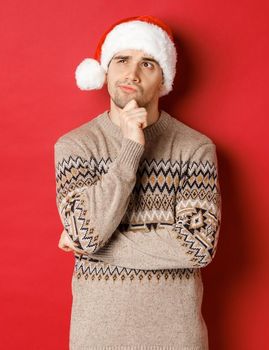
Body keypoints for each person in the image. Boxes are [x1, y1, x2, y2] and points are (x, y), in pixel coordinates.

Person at [54, 15, 221, 349]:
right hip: (97, 338)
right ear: (105, 71)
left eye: (147, 63)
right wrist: (131, 149)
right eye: (122, 60)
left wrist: (94, 244)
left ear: (163, 79)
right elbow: (86, 231)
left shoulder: (194, 148)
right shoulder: (75, 146)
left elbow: (197, 247)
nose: (131, 73)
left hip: (177, 339)